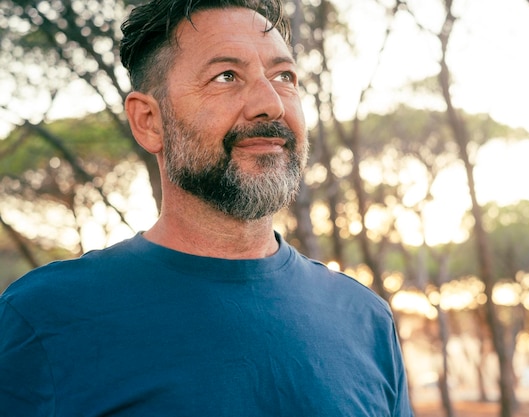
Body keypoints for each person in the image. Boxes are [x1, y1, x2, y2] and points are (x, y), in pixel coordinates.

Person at [0, 0, 414, 415]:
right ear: (148, 121)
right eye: (226, 76)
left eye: (284, 76)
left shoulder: (366, 319)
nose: (270, 103)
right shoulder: (42, 318)